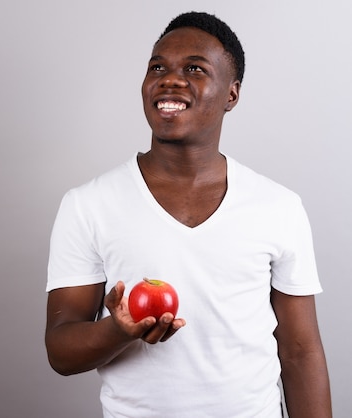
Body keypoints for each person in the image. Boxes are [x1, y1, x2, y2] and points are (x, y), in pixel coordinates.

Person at [44, 11, 332, 418]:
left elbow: (301, 352)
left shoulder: (278, 207)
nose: (170, 78)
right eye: (157, 67)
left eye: (194, 68)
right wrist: (117, 330)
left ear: (231, 95)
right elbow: (61, 351)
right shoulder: (89, 204)